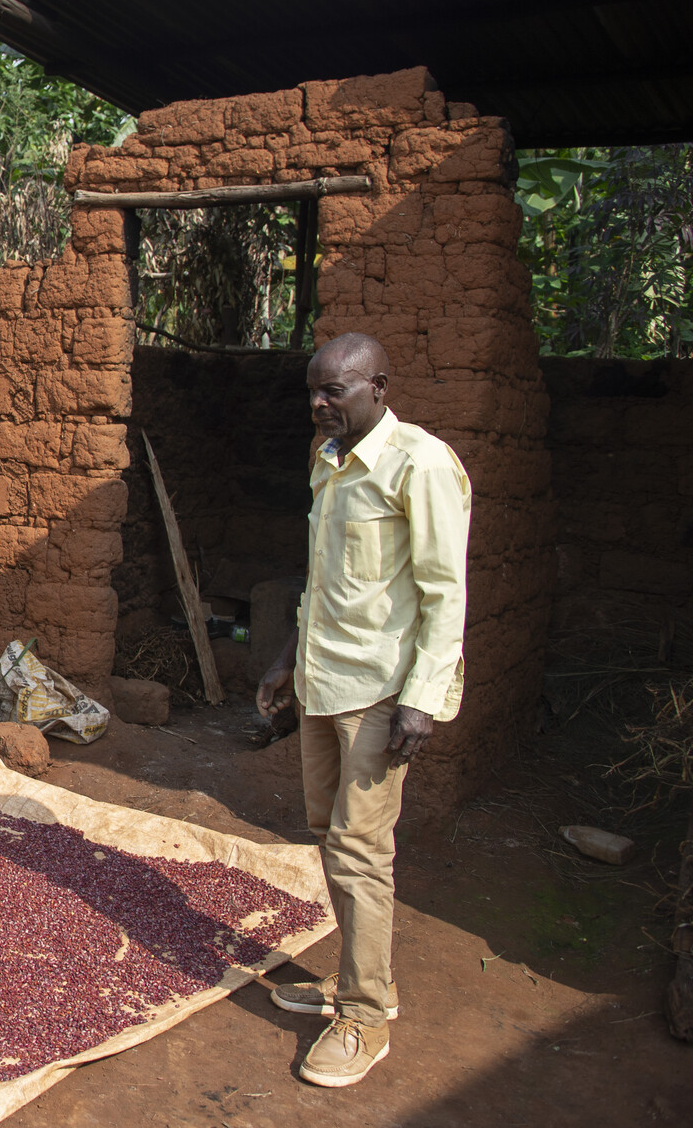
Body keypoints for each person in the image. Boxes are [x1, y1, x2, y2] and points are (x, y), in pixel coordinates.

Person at [256, 332, 472, 1089]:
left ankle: (366, 1017)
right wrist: (287, 658)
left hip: (382, 692)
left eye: (334, 392)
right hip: (325, 682)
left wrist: (423, 699)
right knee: (327, 832)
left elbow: (446, 592)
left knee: (358, 849)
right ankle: (360, 979)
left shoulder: (421, 463)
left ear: (378, 386)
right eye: (313, 391)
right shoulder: (329, 459)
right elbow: (323, 580)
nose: (319, 404)